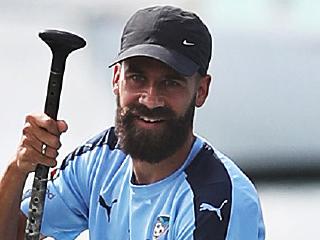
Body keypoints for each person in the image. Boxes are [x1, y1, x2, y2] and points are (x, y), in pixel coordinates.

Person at [0, 5, 265, 240]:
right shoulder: (99, 159)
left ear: (201, 91)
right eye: (137, 78)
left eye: (170, 82)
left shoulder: (220, 201)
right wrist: (18, 168)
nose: (150, 100)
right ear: (117, 79)